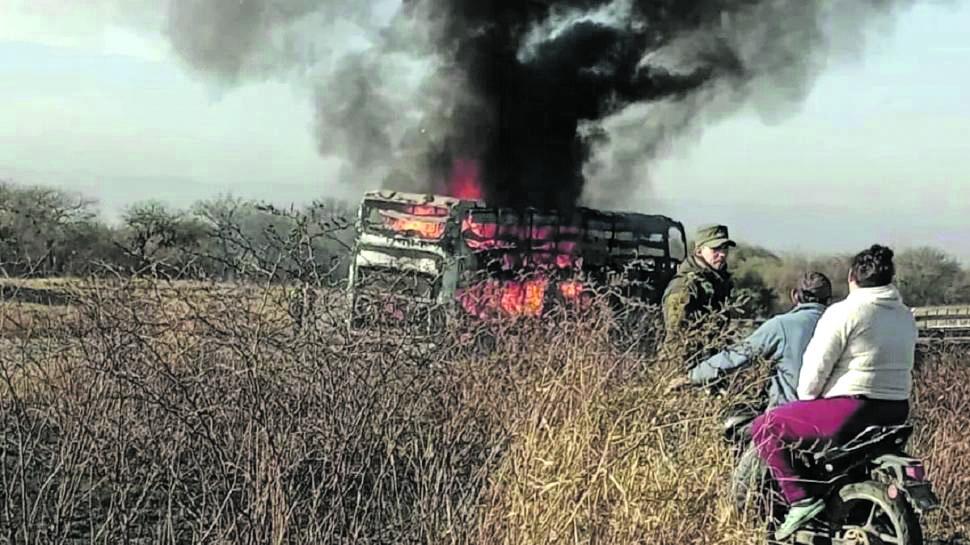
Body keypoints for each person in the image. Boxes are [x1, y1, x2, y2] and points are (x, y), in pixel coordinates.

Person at [751, 245, 917, 540]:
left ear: (852, 278)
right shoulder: (905, 315)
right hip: (896, 409)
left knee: (765, 426)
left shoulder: (844, 312)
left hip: (851, 409)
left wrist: (806, 401)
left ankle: (800, 500)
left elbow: (812, 376)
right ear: (890, 281)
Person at [672, 272, 833, 409]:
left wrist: (692, 376)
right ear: (829, 300)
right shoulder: (842, 325)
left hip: (788, 415)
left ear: (795, 295)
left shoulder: (782, 325)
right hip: (833, 417)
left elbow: (737, 355)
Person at [662, 224, 735, 364]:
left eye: (725, 248)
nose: (722, 254)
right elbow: (677, 337)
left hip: (710, 361)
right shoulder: (685, 286)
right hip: (685, 364)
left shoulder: (718, 280)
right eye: (715, 249)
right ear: (699, 251)